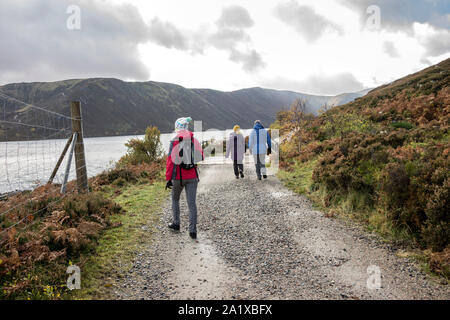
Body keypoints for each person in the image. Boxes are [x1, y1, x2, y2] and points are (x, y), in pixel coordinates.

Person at [165, 117, 204, 239]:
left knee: (175, 199)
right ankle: (193, 231)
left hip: (178, 178)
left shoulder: (174, 141)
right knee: (192, 204)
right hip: (192, 177)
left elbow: (170, 162)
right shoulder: (194, 140)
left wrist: (168, 178)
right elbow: (201, 157)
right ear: (186, 127)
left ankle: (176, 223)